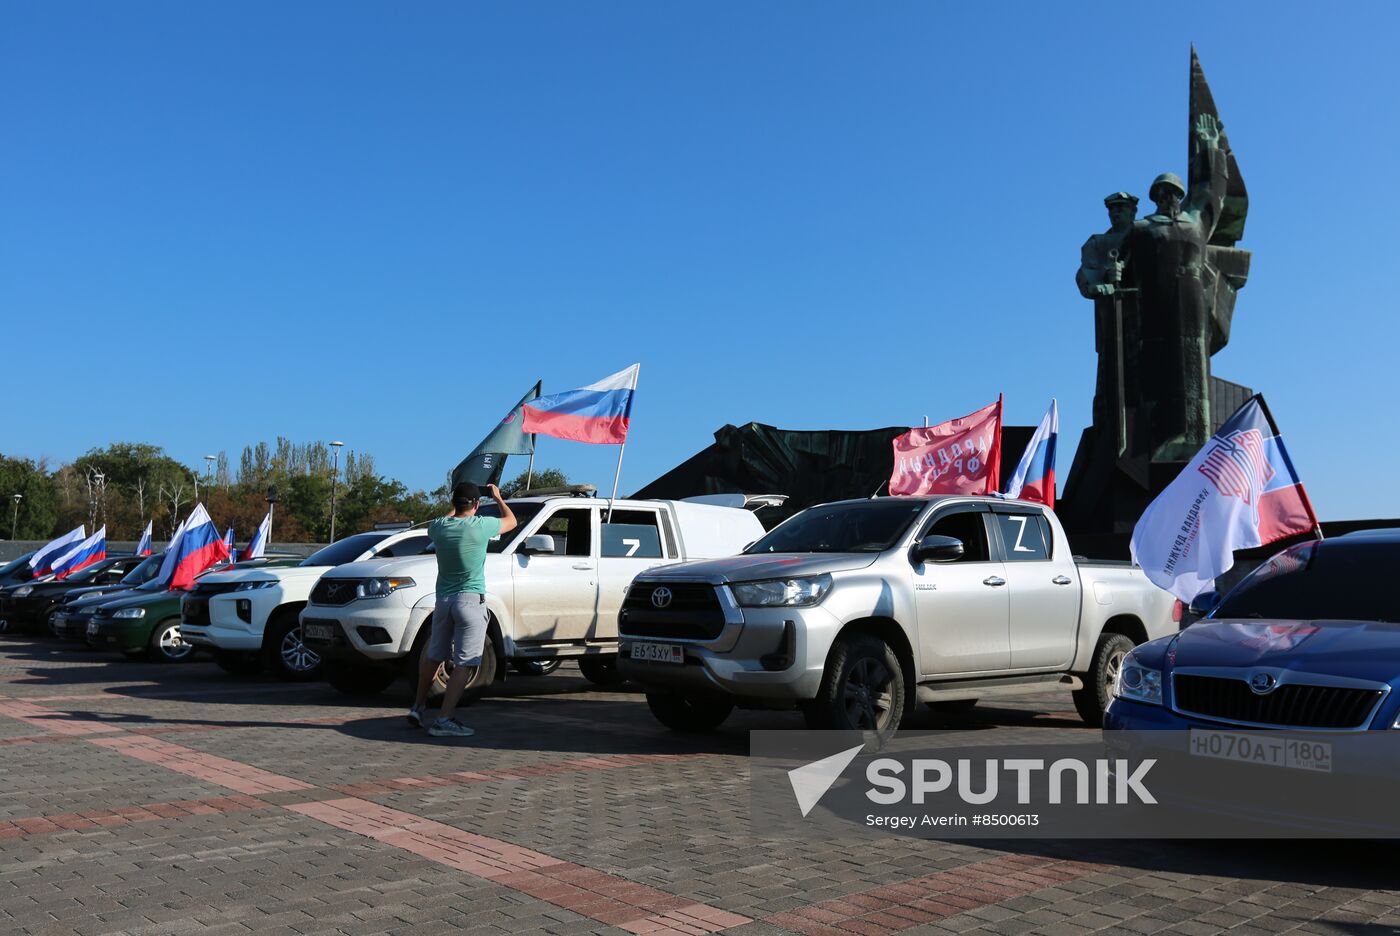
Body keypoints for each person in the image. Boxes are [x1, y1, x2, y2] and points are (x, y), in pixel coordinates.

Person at [408, 481, 517, 737]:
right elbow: (511, 521)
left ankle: (418, 707)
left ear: (454, 504)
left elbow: (443, 521)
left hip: (443, 601)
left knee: (434, 656)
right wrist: (498, 498)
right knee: (465, 662)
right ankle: (444, 719)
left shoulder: (439, 527)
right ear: (477, 505)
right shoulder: (481, 526)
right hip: (469, 600)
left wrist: (454, 508)